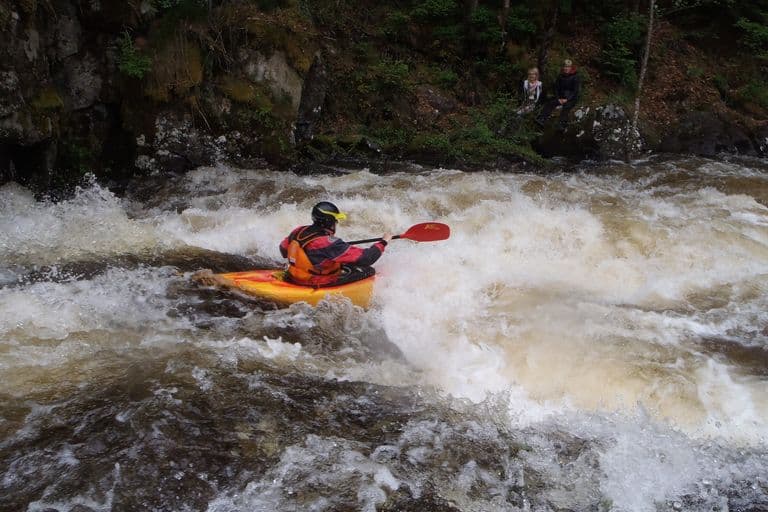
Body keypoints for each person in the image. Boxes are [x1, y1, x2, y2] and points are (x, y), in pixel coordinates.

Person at [279, 201, 392, 287]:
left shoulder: (298, 231)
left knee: (340, 263)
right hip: (315, 282)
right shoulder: (329, 243)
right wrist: (383, 242)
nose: (335, 224)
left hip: (293, 277)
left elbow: (283, 249)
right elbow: (366, 258)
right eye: (335, 221)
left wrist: (314, 253)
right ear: (329, 222)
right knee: (368, 270)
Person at [536, 59, 580, 131]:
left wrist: (567, 99)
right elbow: (556, 88)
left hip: (571, 98)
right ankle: (542, 119)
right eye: (565, 66)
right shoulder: (560, 76)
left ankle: (561, 124)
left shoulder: (575, 77)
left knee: (566, 107)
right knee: (551, 103)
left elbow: (575, 91)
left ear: (571, 67)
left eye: (568, 67)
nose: (566, 68)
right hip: (561, 96)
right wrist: (558, 98)